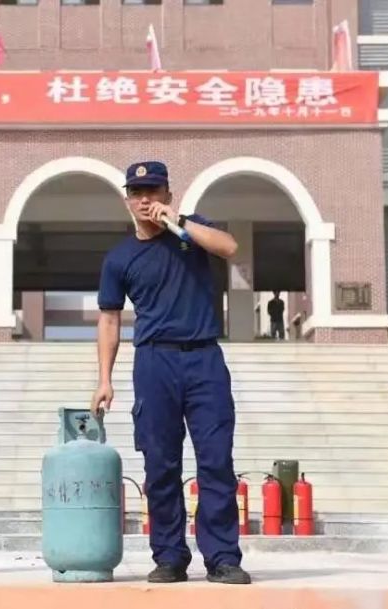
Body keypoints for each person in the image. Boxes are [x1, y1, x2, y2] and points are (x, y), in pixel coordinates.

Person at [90, 161, 251, 585]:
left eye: (153, 191)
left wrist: (178, 222)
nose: (145, 199)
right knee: (160, 464)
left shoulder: (191, 233)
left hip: (204, 359)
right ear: (127, 200)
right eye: (137, 192)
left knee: (216, 460)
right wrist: (104, 379)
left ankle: (222, 557)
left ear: (168, 194)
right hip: (154, 363)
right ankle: (169, 556)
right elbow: (109, 319)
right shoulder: (119, 258)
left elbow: (229, 247)